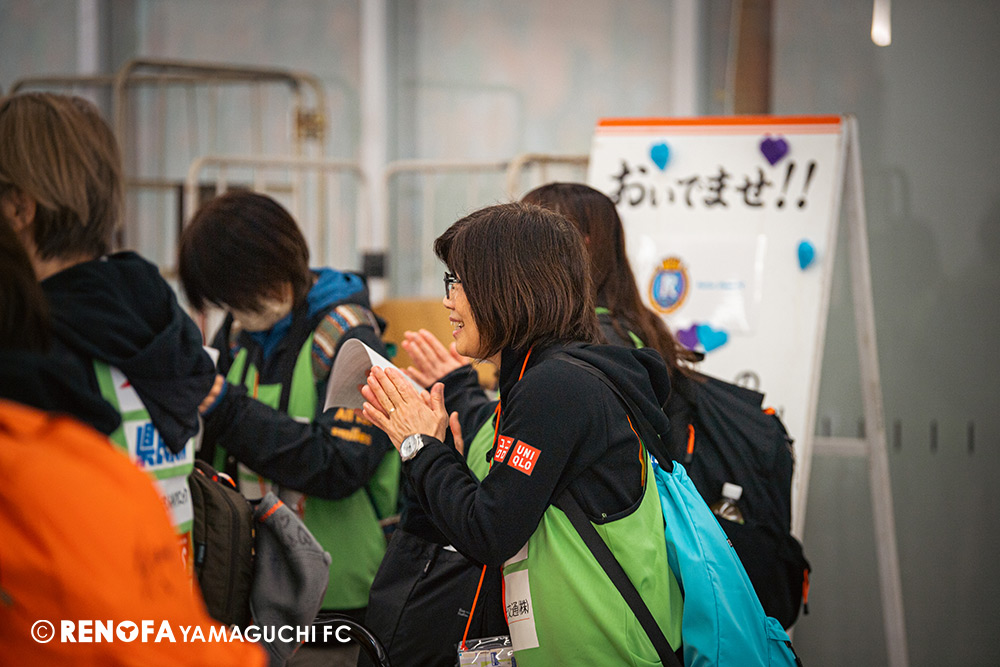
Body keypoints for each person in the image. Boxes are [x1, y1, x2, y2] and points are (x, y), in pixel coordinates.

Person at [361, 202, 683, 665]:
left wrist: (420, 447)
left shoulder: (555, 385)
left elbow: (489, 533)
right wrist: (440, 452)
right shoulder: (559, 374)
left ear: (507, 286)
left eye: (458, 282)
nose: (448, 301)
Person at [0, 221, 266, 666]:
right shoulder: (110, 475)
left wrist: (231, 408)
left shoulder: (53, 474)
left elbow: (337, 461)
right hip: (186, 599)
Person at [178, 190, 400, 667]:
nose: (239, 310)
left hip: (336, 603)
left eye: (246, 294)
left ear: (282, 264)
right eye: (228, 301)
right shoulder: (237, 333)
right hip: (248, 594)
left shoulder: (348, 335)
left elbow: (341, 463)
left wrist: (227, 409)